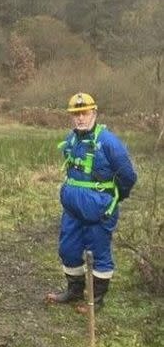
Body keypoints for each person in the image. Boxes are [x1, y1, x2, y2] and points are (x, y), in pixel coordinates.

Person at [45, 93, 137, 313]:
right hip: (72, 210)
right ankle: (74, 291)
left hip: (99, 211)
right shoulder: (72, 139)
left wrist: (113, 199)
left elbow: (128, 177)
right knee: (68, 249)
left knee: (99, 254)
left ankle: (96, 300)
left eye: (84, 113)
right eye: (75, 114)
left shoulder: (109, 142)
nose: (80, 118)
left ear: (94, 113)